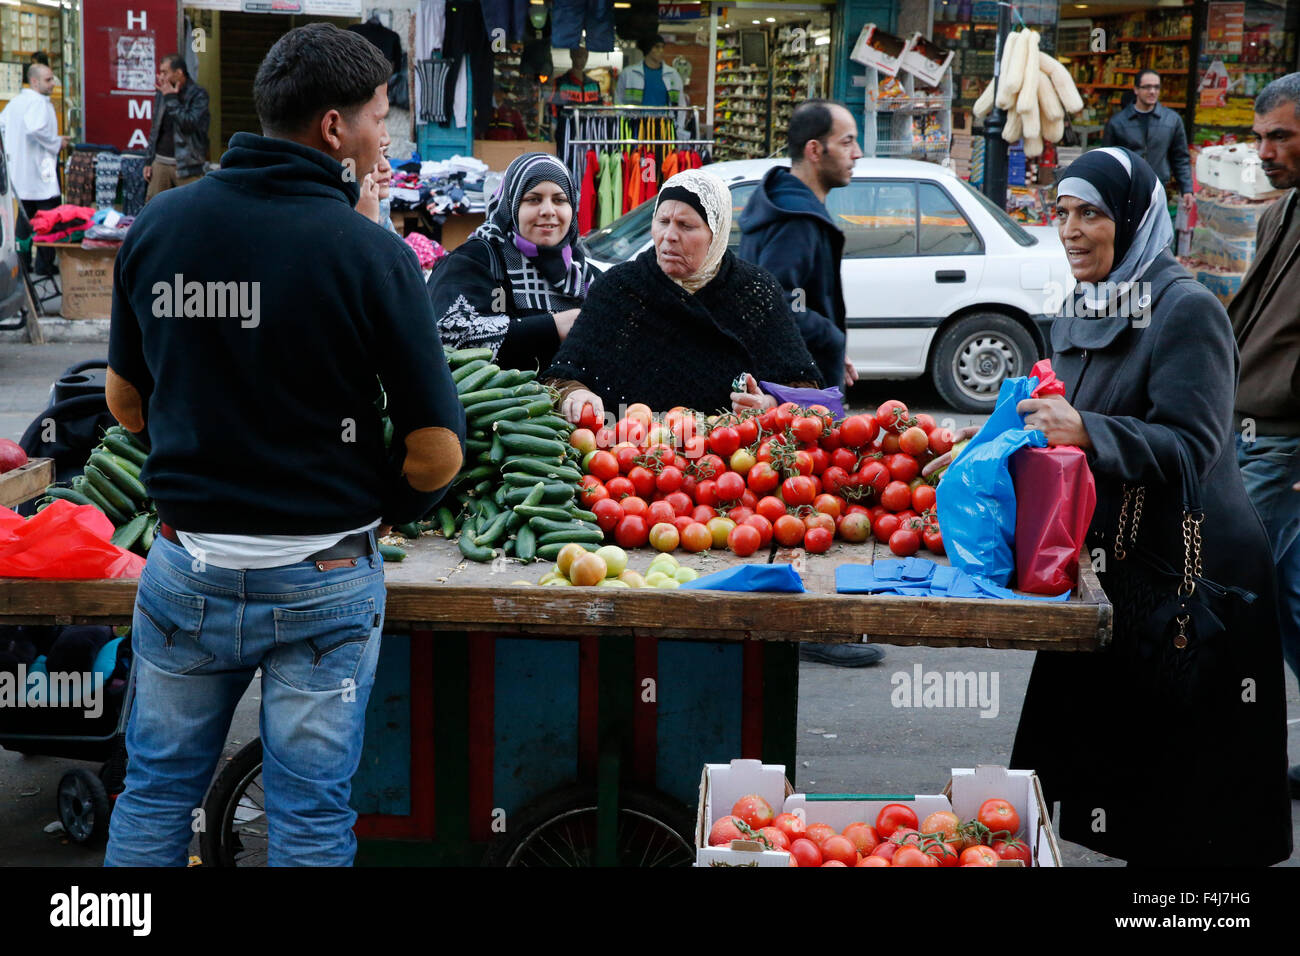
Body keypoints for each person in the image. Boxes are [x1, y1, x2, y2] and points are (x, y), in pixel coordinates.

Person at [103, 23, 466, 867]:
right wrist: (383, 507)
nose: (386, 134)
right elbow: (438, 452)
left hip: (187, 569)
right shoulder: (371, 256)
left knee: (154, 795)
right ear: (334, 128)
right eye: (380, 115)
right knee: (305, 818)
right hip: (326, 578)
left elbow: (124, 401)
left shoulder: (161, 227)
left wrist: (200, 437)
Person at [1009, 146, 1293, 866]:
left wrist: (1088, 431)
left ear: (1134, 219)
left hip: (1191, 573)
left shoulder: (1185, 307)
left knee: (1189, 799)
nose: (1070, 230)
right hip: (1114, 567)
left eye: (1092, 214)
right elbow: (1053, 418)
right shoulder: (1083, 300)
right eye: (1063, 213)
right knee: (1122, 779)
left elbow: (1193, 445)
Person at [546, 168, 821, 423]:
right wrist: (575, 394)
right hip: (632, 458)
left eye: (685, 226)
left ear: (717, 233)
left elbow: (804, 388)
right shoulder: (617, 288)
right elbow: (562, 376)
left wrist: (767, 403)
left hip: (730, 462)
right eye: (663, 221)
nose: (669, 236)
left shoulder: (756, 290)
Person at [1228, 73, 1300, 799]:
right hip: (1254, 432)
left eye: (1281, 135)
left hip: (1286, 446)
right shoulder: (1279, 216)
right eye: (1260, 137)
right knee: (1283, 598)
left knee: (1240, 590)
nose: (1266, 151)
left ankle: (1221, 750)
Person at [738, 99, 863, 391]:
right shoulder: (796, 220)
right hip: (796, 393)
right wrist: (829, 337)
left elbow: (794, 297)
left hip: (789, 377)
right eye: (847, 143)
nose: (856, 154)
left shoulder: (784, 204)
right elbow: (773, 301)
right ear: (815, 150)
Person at [428, 152, 589, 372]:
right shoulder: (473, 261)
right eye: (533, 199)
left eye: (560, 200)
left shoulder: (585, 276)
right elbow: (444, 338)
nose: (548, 211)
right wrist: (553, 327)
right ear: (510, 205)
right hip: (492, 405)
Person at [0, 63, 73, 275]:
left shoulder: (16, 102)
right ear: (34, 81)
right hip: (40, 172)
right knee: (47, 219)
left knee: (24, 221)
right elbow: (35, 127)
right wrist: (56, 142)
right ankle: (45, 264)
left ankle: (22, 262)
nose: (52, 84)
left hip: (21, 173)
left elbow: (2, 125)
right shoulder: (38, 103)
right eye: (48, 80)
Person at [1102, 70, 1194, 209]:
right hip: (1126, 191)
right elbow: (1108, 162)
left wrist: (1187, 189)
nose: (1152, 91)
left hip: (1159, 188)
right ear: (1136, 90)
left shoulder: (1172, 120)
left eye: (1156, 87)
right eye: (1147, 87)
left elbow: (1180, 157)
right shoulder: (1117, 122)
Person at [142, 53, 211, 201]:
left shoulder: (198, 94)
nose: (161, 77)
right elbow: (155, 128)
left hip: (188, 165)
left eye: (165, 72)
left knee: (191, 209)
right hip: (160, 162)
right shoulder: (163, 93)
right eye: (160, 72)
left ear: (178, 73)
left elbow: (189, 124)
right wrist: (148, 160)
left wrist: (171, 99)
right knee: (154, 207)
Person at [551, 46, 601, 155]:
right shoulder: (561, 82)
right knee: (567, 160)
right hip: (566, 132)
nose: (582, 60)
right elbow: (553, 109)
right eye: (579, 56)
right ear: (571, 56)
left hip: (589, 132)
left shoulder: (594, 85)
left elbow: (599, 110)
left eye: (585, 56)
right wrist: (552, 132)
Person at [615, 34, 683, 109]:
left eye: (662, 47)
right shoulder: (629, 73)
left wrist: (679, 121)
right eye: (657, 47)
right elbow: (618, 101)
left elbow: (681, 104)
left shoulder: (672, 74)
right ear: (647, 49)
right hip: (636, 119)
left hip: (665, 120)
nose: (661, 50)